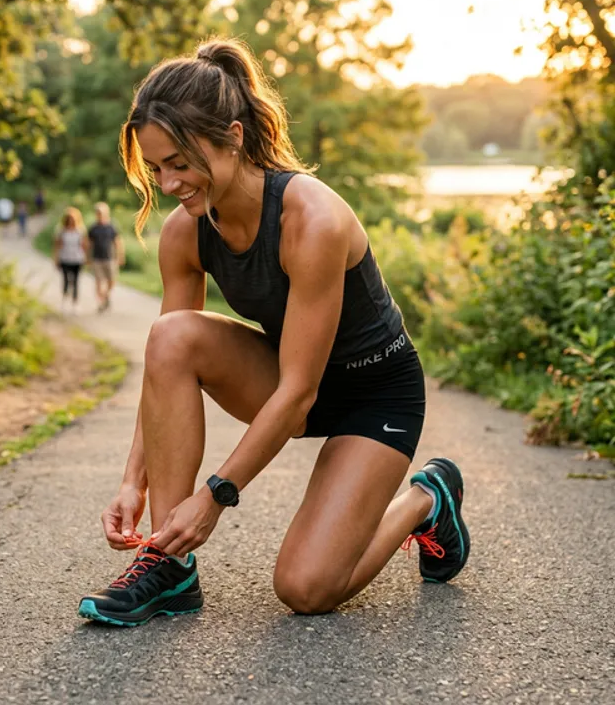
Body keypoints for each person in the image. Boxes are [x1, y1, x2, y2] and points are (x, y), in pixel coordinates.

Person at [78, 39, 470, 627]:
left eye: (180, 164)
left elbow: (298, 395)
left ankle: (426, 499)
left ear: (232, 136)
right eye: (156, 167)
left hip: (373, 396)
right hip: (287, 375)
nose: (167, 183)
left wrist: (213, 496)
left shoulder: (310, 219)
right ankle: (168, 562)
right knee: (170, 335)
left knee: (306, 589)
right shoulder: (186, 233)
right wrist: (132, 481)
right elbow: (165, 369)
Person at [86, 202, 125, 313]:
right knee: (98, 281)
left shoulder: (112, 226)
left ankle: (105, 295)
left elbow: (118, 242)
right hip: (97, 259)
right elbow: (89, 244)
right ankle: (101, 303)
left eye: (101, 212)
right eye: (98, 213)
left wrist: (120, 256)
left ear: (106, 213)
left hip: (110, 258)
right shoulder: (93, 228)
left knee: (111, 281)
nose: (99, 214)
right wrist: (87, 258)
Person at [53, 207, 86, 308]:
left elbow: (84, 246)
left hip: (77, 259)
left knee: (76, 282)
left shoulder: (80, 230)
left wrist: (86, 258)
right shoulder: (61, 231)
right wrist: (56, 258)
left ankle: (75, 303)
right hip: (65, 258)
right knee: (66, 280)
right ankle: (64, 300)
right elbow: (57, 246)